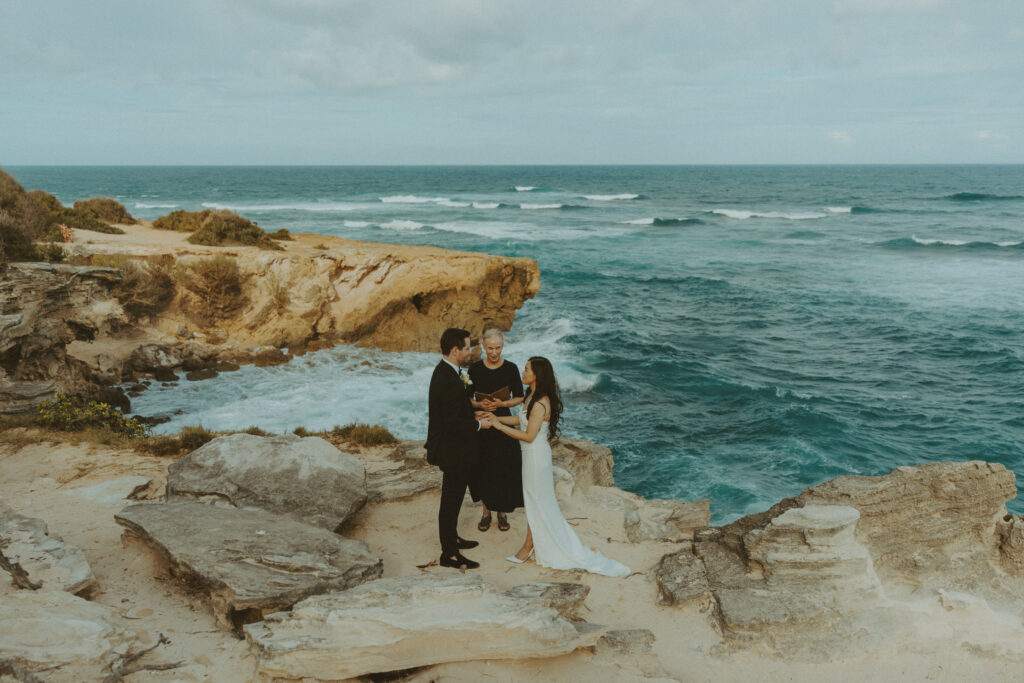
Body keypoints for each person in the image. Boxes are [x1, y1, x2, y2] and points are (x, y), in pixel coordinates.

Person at [481, 357, 629, 577]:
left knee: (538, 501)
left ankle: (528, 547)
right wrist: (497, 417)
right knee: (533, 501)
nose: (523, 372)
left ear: (536, 375)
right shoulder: (531, 396)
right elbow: (522, 421)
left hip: (536, 457)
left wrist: (498, 426)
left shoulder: (541, 402)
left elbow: (529, 435)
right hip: (530, 456)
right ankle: (530, 545)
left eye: (527, 369)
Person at [425, 328, 491, 569]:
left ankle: (452, 538)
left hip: (454, 447)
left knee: (454, 498)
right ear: (455, 351)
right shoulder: (446, 378)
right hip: (451, 450)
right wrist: (478, 424)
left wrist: (473, 411)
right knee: (450, 501)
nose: (470, 351)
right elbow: (452, 422)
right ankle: (449, 555)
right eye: (467, 347)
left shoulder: (449, 372)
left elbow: (453, 410)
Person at [468, 329, 524, 533]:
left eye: (498, 348)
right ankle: (486, 512)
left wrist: (503, 402)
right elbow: (467, 398)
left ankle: (501, 511)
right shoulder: (474, 369)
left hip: (504, 422)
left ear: (503, 346)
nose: (494, 352)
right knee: (482, 466)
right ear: (483, 347)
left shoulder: (510, 368)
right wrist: (478, 404)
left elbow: (520, 396)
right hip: (482, 423)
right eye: (490, 348)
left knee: (504, 466)